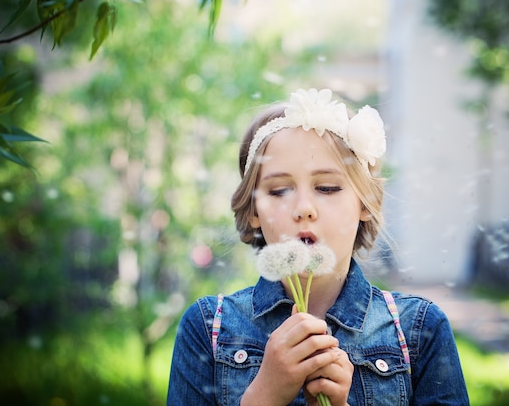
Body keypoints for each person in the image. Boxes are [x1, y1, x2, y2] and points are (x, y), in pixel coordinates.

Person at [166, 88, 469, 406]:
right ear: (254, 211)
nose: (304, 208)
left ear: (365, 203)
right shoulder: (206, 329)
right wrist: (265, 395)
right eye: (280, 190)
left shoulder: (420, 331)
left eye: (327, 187)